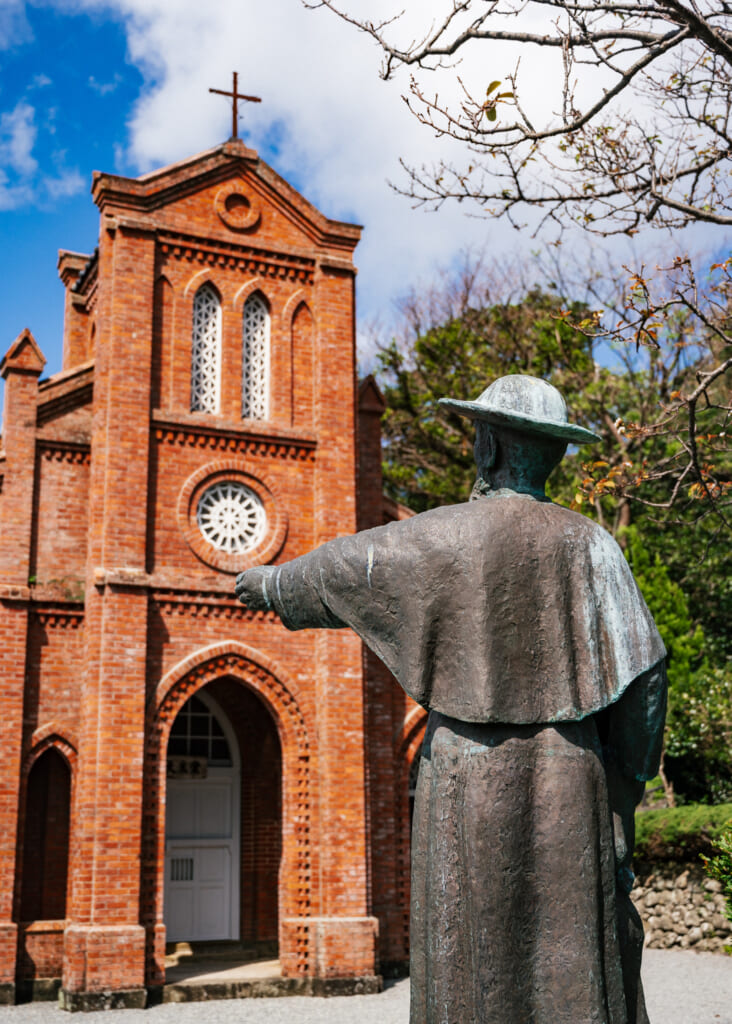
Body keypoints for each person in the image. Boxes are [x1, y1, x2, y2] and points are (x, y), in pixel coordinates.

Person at [235, 375, 667, 1024]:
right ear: (552, 456)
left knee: (469, 962)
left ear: (490, 447)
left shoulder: (440, 536)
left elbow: (341, 568)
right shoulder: (593, 546)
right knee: (575, 954)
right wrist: (623, 794)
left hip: (465, 779)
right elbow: (647, 680)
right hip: (574, 783)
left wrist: (269, 584)